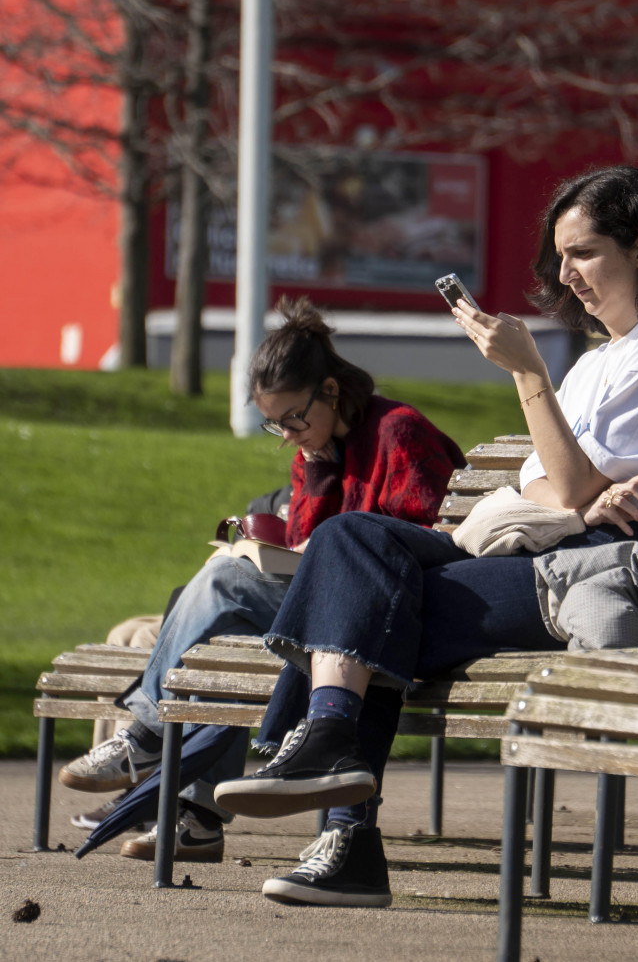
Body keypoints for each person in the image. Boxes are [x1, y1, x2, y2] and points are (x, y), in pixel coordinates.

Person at [212, 164, 638, 907]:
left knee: (379, 600)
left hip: (599, 573)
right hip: (542, 546)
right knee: (351, 540)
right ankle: (327, 750)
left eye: (582, 252)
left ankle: (338, 813)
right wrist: (574, 488)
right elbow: (545, 488)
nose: (566, 274)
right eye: (559, 256)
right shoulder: (593, 364)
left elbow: (575, 491)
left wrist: (528, 380)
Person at [57, 295, 464, 862]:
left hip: (387, 620)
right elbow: (306, 543)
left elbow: (431, 540)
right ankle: (197, 820)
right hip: (326, 618)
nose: (290, 434)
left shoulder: (399, 432)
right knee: (229, 636)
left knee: (224, 582)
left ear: (330, 390)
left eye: (296, 417)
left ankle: (147, 734)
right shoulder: (313, 452)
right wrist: (317, 473)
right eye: (276, 424)